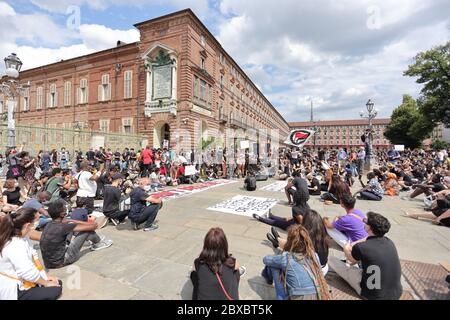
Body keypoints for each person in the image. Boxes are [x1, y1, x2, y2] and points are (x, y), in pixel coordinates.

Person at [328, 212, 403, 300]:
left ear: (369, 228)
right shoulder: (389, 242)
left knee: (331, 260)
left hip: (372, 295)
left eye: (365, 221)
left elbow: (350, 259)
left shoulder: (362, 247)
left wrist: (346, 247)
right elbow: (367, 239)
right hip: (396, 293)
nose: (363, 222)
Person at [0, 208, 62, 300]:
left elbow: (34, 258)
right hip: (14, 286)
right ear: (28, 225)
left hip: (23, 278)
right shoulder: (15, 245)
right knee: (55, 289)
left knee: (57, 282)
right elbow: (26, 272)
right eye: (36, 221)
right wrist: (46, 283)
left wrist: (46, 276)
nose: (37, 223)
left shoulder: (23, 237)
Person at [262, 224, 331, 300]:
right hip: (319, 296)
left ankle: (272, 284)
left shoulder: (286, 258)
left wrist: (279, 257)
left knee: (274, 265)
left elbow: (266, 259)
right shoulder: (314, 255)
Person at [39, 200, 113, 269]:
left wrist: (69, 221)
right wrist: (71, 220)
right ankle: (98, 243)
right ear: (62, 214)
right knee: (86, 231)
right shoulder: (63, 227)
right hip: (63, 260)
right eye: (65, 209)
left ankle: (90, 240)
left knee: (72, 228)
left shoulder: (49, 224)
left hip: (49, 263)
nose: (66, 210)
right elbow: (94, 226)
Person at [266, 209, 330, 274]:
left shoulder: (306, 237)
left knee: (288, 250)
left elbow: (293, 249)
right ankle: (277, 240)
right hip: (324, 267)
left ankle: (277, 240)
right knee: (294, 244)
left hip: (313, 271)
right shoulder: (322, 234)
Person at [190, 228, 245, 300]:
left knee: (194, 274)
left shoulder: (198, 263)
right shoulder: (231, 262)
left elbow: (193, 271)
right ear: (224, 245)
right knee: (236, 272)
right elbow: (237, 266)